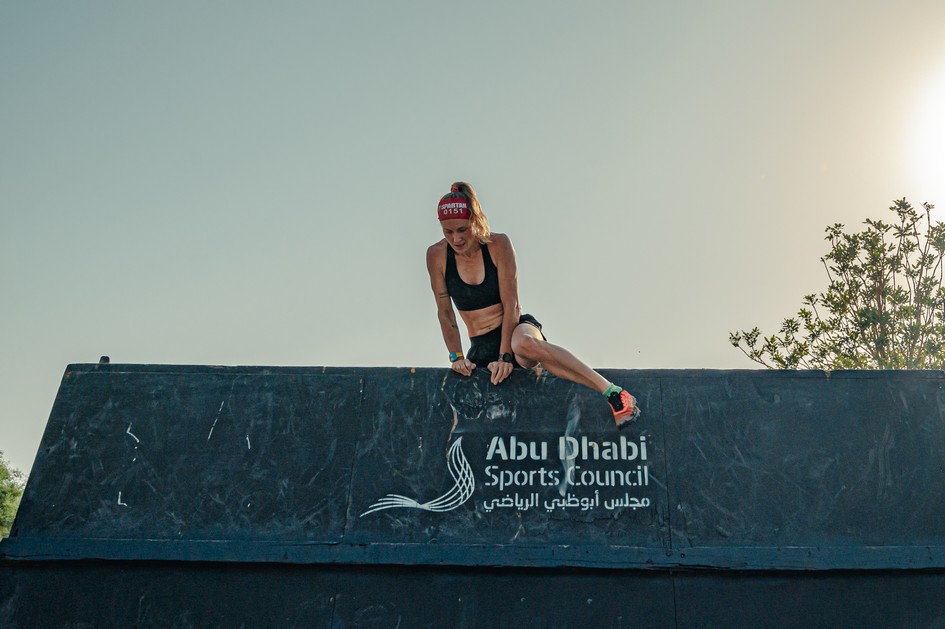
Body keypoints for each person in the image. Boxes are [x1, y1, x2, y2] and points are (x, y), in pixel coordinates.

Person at [425, 181, 641, 429]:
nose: (456, 238)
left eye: (462, 230)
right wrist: (457, 357)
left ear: (475, 220)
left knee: (524, 344)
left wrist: (505, 356)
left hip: (515, 330)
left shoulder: (498, 245)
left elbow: (512, 304)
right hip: (481, 347)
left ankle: (614, 393)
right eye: (448, 232)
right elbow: (445, 313)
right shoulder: (436, 255)